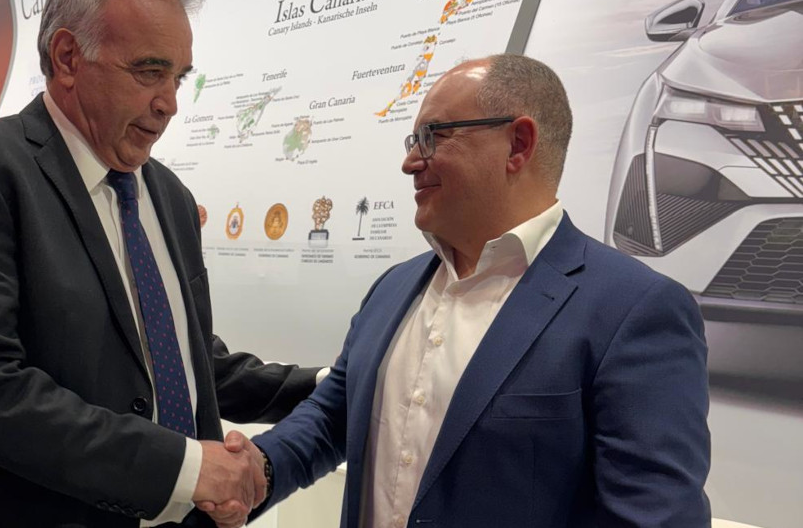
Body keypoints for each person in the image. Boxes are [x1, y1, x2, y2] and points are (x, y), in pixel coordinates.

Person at [0, 0, 319, 527]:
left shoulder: (170, 197)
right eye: (150, 71)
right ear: (68, 57)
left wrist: (326, 385)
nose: (169, 103)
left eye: (179, 77)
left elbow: (183, 359)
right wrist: (182, 469)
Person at [228, 55, 711, 527]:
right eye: (413, 140)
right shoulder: (393, 288)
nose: (410, 162)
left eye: (433, 136)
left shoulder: (634, 310)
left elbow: (655, 516)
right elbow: (336, 414)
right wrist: (258, 469)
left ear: (518, 144)